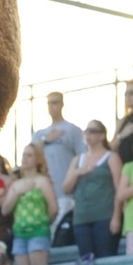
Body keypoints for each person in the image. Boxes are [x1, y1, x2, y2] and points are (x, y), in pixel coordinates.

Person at [63, 121, 121, 265]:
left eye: (93, 131)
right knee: (86, 262)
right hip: (81, 218)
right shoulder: (77, 160)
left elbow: (119, 188)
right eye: (86, 131)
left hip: (105, 216)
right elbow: (66, 188)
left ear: (102, 135)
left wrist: (117, 216)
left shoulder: (111, 157)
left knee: (106, 257)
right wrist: (78, 172)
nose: (88, 134)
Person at [32, 92, 86, 232]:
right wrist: (46, 140)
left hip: (66, 194)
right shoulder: (39, 134)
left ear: (62, 104)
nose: (52, 106)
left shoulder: (72, 130)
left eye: (55, 102)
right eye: (49, 103)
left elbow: (83, 157)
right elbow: (31, 153)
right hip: (43, 194)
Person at [4, 143, 58, 265]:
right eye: (23, 155)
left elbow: (53, 208)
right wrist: (18, 192)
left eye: (29, 155)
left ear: (37, 159)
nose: (25, 159)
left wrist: (43, 221)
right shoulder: (16, 184)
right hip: (19, 234)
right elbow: (5, 209)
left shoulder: (43, 181)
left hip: (38, 233)